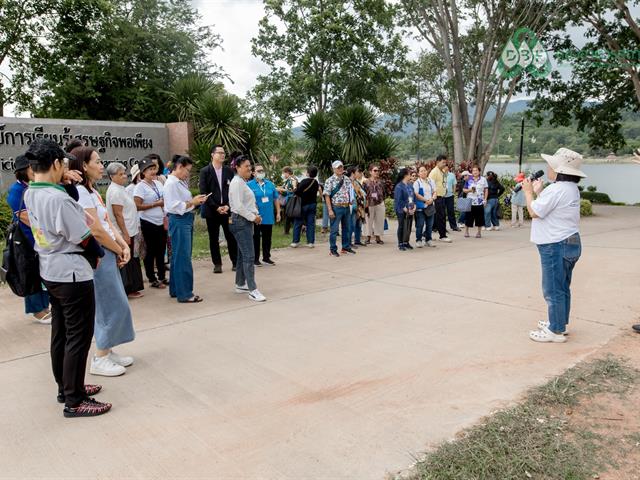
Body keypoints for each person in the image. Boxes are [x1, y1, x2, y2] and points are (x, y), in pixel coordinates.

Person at [24, 139, 111, 418]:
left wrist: (66, 182)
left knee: (61, 331)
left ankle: (66, 386)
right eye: (63, 163)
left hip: (52, 270)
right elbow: (83, 236)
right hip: (72, 272)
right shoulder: (56, 198)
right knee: (79, 336)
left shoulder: (34, 192)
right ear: (55, 164)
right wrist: (99, 253)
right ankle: (75, 400)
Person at [69, 146, 135, 377]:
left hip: (109, 250)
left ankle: (108, 349)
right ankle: (100, 357)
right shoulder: (80, 192)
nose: (101, 165)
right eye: (96, 161)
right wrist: (117, 248)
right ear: (84, 166)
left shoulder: (93, 191)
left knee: (114, 303)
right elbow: (95, 229)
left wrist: (123, 246)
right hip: (99, 254)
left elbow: (105, 222)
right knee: (110, 305)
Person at [522, 148, 587, 343]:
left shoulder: (557, 189)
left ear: (559, 170)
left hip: (555, 244)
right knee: (563, 287)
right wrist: (540, 192)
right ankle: (559, 323)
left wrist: (528, 193)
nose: (547, 168)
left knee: (552, 289)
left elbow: (534, 212)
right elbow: (552, 207)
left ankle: (555, 331)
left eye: (550, 165)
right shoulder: (570, 188)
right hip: (570, 241)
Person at [7, 154, 52, 324]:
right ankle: (37, 310)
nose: (35, 170)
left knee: (43, 274)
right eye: (31, 167)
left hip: (41, 241)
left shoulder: (34, 187)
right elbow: (28, 218)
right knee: (31, 275)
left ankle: (45, 305)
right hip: (27, 242)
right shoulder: (16, 191)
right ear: (23, 171)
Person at [164, 155, 207, 303]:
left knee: (178, 257)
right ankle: (185, 293)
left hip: (184, 219)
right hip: (180, 220)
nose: (188, 173)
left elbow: (183, 202)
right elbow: (174, 206)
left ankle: (176, 289)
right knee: (183, 257)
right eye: (187, 170)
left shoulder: (178, 182)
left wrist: (195, 201)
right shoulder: (171, 184)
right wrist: (192, 202)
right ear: (180, 166)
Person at [229, 156, 266, 302]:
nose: (249, 169)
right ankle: (253, 289)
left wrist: (255, 213)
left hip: (244, 221)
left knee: (242, 255)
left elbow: (245, 203)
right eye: (246, 166)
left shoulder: (241, 182)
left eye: (250, 166)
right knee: (249, 256)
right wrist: (253, 217)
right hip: (241, 221)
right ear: (237, 167)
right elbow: (238, 206)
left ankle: (240, 284)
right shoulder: (237, 183)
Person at [106, 162, 144, 299]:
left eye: (124, 173)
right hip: (123, 231)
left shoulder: (121, 188)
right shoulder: (115, 191)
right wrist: (125, 234)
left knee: (133, 259)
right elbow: (118, 214)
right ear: (112, 176)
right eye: (120, 174)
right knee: (126, 260)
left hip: (131, 229)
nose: (124, 176)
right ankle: (127, 289)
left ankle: (132, 287)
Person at [199, 144, 237, 274]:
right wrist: (216, 207)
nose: (222, 155)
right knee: (213, 238)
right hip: (212, 210)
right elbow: (204, 192)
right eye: (219, 152)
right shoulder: (205, 171)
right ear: (212, 155)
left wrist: (227, 205)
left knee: (231, 237)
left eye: (223, 153)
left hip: (227, 209)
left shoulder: (228, 171)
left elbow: (233, 190)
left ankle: (235, 262)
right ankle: (217, 264)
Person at [134, 158, 168, 288]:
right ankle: (152, 278)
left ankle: (162, 276)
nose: (153, 171)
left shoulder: (158, 184)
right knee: (150, 251)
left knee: (161, 250)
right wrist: (156, 204)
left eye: (154, 169)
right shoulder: (140, 187)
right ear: (143, 172)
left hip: (160, 221)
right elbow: (137, 206)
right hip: (148, 222)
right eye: (150, 170)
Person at [248, 164, 281, 266]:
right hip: (256, 217)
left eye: (262, 170)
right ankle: (255, 259)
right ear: (253, 173)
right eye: (259, 171)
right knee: (256, 238)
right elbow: (246, 199)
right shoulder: (249, 185)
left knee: (267, 238)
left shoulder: (270, 184)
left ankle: (266, 258)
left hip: (268, 216)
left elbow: (276, 199)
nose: (261, 172)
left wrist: (278, 212)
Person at [324, 160, 355, 257]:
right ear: (333, 169)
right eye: (338, 167)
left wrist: (351, 200)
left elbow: (350, 190)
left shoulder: (346, 179)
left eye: (341, 167)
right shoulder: (330, 180)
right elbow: (327, 195)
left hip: (346, 206)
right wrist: (330, 209)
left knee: (347, 228)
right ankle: (333, 249)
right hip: (336, 207)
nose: (340, 169)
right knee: (334, 230)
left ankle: (345, 247)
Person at [291, 166, 320, 248]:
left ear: (308, 173)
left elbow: (297, 192)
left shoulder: (304, 181)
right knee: (311, 223)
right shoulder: (316, 182)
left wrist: (294, 186)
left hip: (303, 205)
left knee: (298, 222)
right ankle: (310, 242)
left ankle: (295, 241)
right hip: (313, 204)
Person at [428, 155, 452, 243]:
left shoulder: (441, 171)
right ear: (437, 162)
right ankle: (442, 236)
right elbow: (429, 185)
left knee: (436, 217)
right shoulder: (434, 172)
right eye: (443, 162)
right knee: (441, 216)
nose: (444, 164)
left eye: (445, 162)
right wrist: (432, 197)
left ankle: (425, 234)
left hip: (442, 196)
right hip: (436, 197)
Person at [413, 165, 437, 248]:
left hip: (430, 206)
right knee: (420, 224)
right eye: (421, 171)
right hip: (421, 207)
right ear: (418, 173)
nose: (423, 172)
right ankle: (418, 240)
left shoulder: (431, 181)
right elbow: (416, 194)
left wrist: (432, 199)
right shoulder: (417, 183)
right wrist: (426, 200)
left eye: (425, 170)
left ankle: (428, 240)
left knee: (430, 225)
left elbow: (435, 192)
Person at [463, 166, 488, 238]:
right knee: (468, 217)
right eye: (473, 170)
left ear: (479, 171)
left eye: (476, 170)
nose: (475, 172)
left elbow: (486, 190)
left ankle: (479, 232)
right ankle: (466, 232)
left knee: (479, 217)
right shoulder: (468, 179)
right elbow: (464, 190)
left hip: (479, 201)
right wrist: (470, 190)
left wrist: (485, 199)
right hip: (470, 201)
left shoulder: (483, 179)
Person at [394, 168, 415, 251]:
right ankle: (400, 243)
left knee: (409, 226)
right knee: (402, 226)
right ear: (405, 175)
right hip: (401, 210)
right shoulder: (399, 186)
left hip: (410, 209)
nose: (411, 176)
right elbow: (398, 200)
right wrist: (404, 208)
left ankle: (406, 242)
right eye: (410, 174)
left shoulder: (410, 185)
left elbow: (413, 197)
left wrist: (414, 206)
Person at [364, 164, 385, 245]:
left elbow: (384, 193)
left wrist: (383, 202)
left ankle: (378, 237)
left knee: (379, 220)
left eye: (378, 170)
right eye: (375, 170)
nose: (377, 172)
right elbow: (363, 194)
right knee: (368, 221)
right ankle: (368, 237)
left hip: (380, 203)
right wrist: (365, 204)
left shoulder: (381, 182)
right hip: (369, 204)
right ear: (370, 172)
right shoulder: (366, 182)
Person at [348, 166, 367, 247]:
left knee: (358, 225)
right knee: (351, 225)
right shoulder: (348, 182)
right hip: (352, 206)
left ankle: (357, 240)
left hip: (359, 207)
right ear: (353, 173)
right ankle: (348, 243)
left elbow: (362, 192)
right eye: (357, 172)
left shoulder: (356, 182)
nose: (359, 173)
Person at [277, 166, 298, 235]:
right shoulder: (288, 179)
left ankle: (287, 231)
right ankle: (287, 231)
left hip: (291, 199)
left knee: (289, 215)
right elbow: (285, 188)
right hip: (289, 199)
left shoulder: (292, 179)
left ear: (288, 172)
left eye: (283, 173)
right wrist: (279, 189)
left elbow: (292, 190)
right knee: (289, 216)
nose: (283, 175)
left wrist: (281, 190)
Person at [443, 163, 461, 231]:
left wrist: (453, 193)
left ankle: (454, 226)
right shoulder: (440, 175)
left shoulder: (452, 175)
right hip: (442, 196)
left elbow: (454, 184)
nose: (445, 168)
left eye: (446, 166)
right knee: (442, 213)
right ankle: (443, 228)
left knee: (451, 211)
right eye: (444, 166)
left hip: (450, 196)